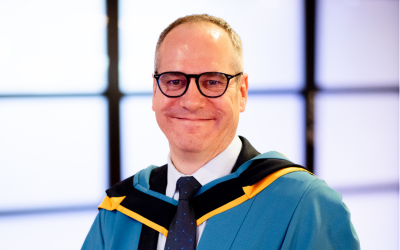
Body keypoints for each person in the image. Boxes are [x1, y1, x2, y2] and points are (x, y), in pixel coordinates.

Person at [82, 14, 360, 250]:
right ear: (155, 92)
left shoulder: (305, 205)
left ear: (241, 92)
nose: (191, 101)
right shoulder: (120, 210)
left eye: (213, 81)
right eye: (175, 81)